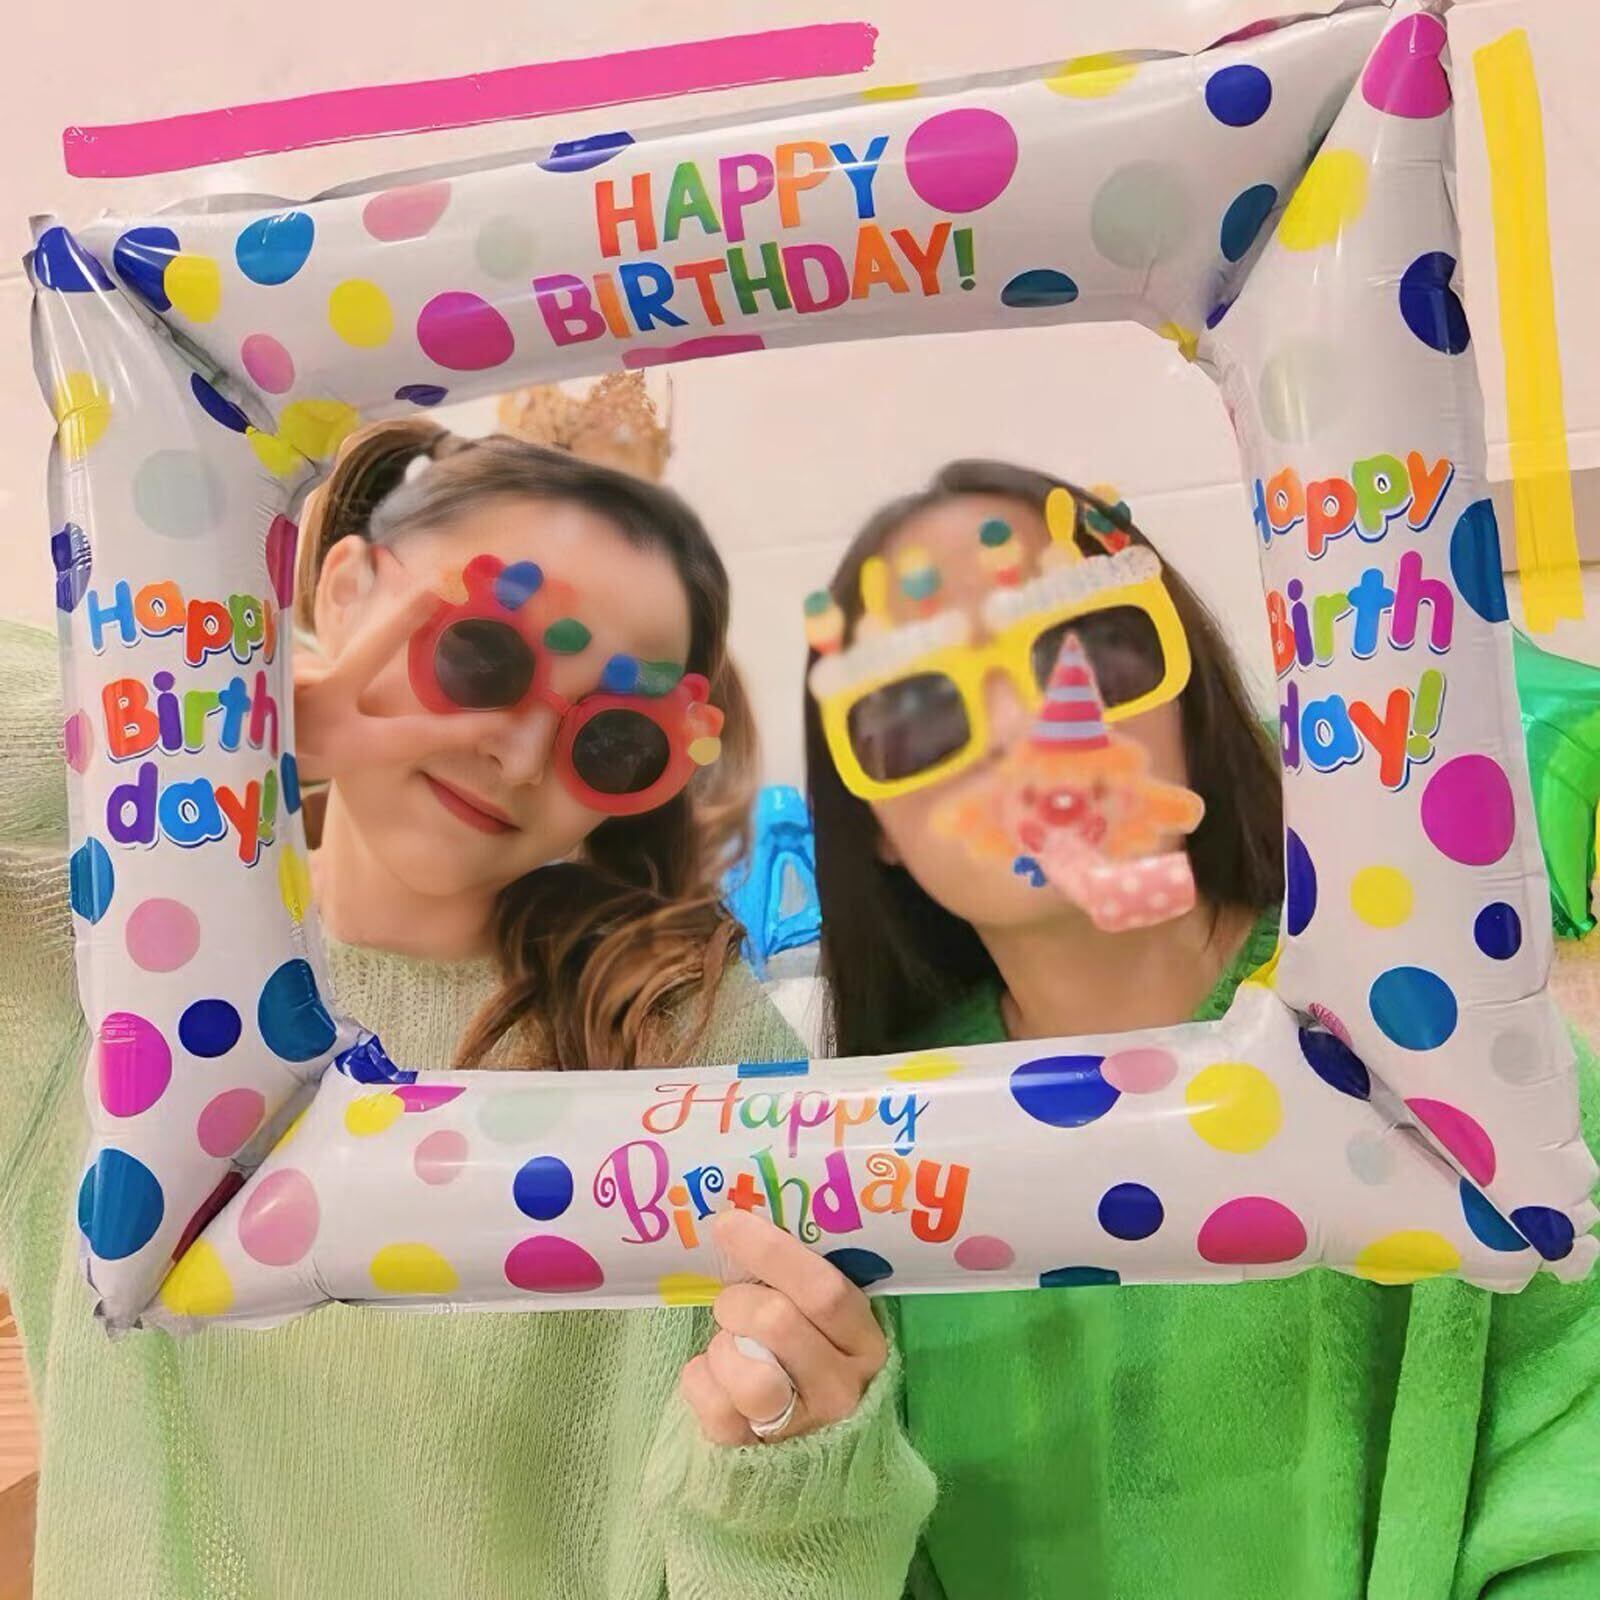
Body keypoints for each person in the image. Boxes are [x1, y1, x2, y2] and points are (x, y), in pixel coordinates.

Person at [0, 421, 933, 1598]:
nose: (521, 754)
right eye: (483, 656)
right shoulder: (100, 951)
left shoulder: (687, 1047)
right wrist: (227, 711)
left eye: (613, 736)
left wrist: (791, 1482)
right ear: (346, 594)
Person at [804, 459, 1600, 1600]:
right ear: (871, 821)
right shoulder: (867, 1157)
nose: (1029, 727)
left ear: (1180, 690)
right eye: (918, 710)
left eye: (1087, 649)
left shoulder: (1438, 1043)